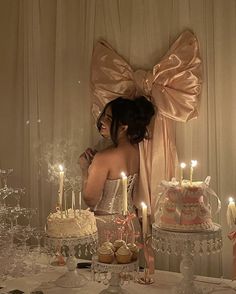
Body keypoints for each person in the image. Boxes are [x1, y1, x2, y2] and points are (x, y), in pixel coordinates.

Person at [79, 96, 155, 243]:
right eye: (104, 115)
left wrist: (84, 168)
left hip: (105, 227)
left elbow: (90, 199)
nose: (101, 121)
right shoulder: (137, 150)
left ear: (123, 127)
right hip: (131, 223)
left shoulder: (104, 157)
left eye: (108, 118)